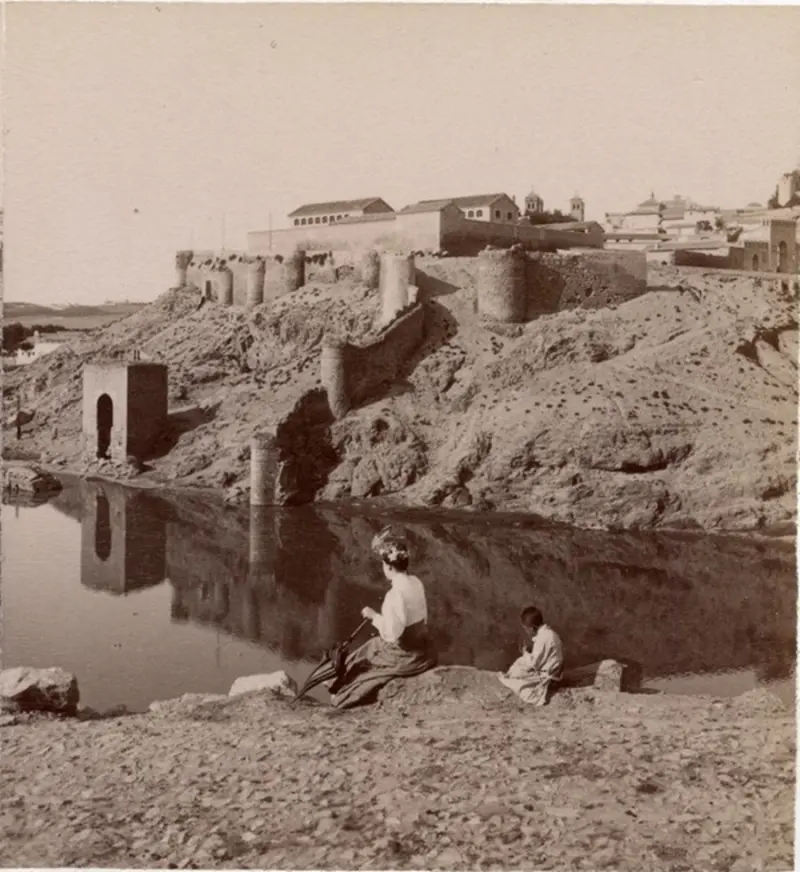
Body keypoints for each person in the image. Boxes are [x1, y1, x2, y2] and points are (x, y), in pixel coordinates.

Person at [328, 526, 437, 709]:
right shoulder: (416, 583)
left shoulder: (394, 595)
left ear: (388, 566)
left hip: (405, 652)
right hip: (422, 644)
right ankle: (337, 682)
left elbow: (391, 634)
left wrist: (373, 617)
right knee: (370, 646)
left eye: (383, 565)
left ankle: (339, 691)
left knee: (367, 662)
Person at [497, 606, 563, 706]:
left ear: (532, 628)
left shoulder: (542, 639)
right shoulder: (550, 633)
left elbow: (534, 664)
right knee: (519, 664)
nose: (526, 632)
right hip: (554, 670)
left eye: (526, 629)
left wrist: (525, 653)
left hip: (550, 676)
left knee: (516, 677)